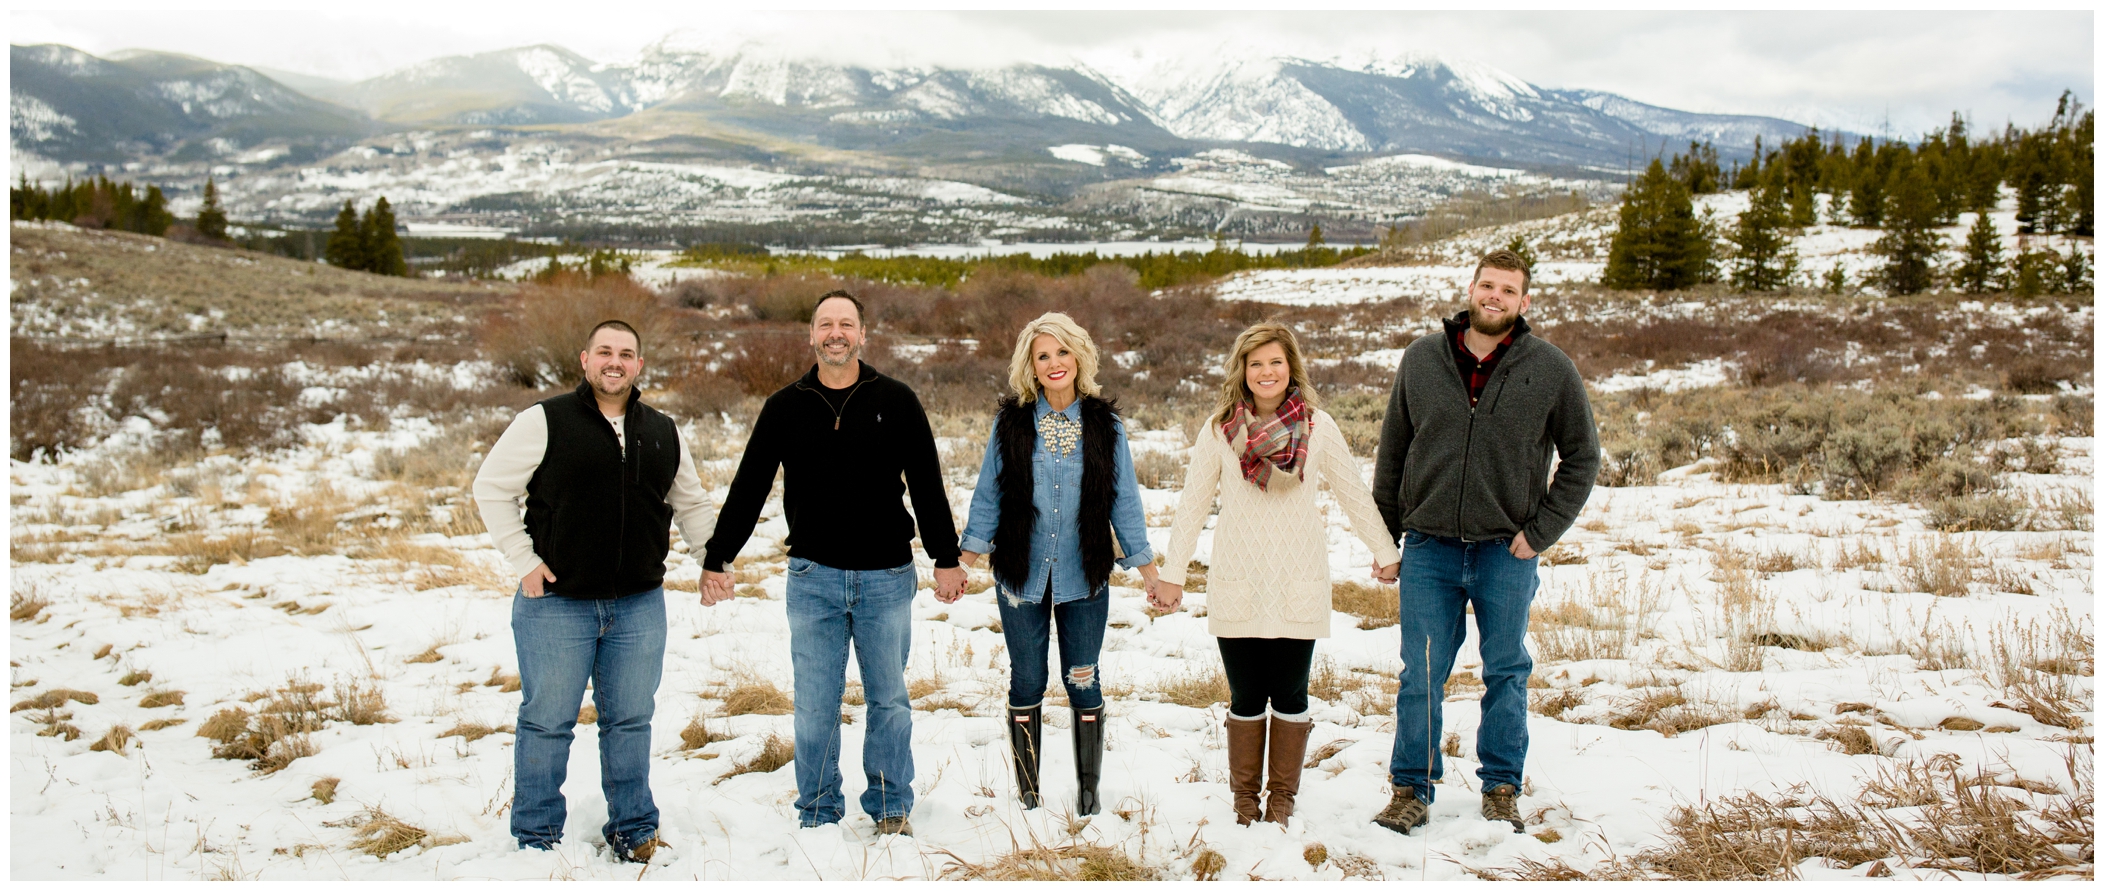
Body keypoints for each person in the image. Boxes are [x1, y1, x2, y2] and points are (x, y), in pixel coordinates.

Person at [700, 290, 967, 836]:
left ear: (863, 335)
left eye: (847, 324)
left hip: (887, 577)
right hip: (813, 577)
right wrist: (718, 556)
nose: (836, 333)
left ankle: (891, 809)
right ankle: (818, 812)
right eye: (826, 324)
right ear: (812, 335)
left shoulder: (896, 400)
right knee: (815, 706)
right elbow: (749, 486)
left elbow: (927, 485)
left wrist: (945, 556)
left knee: (889, 701)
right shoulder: (784, 406)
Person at [1368, 249, 1599, 836]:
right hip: (1429, 547)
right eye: (1487, 285)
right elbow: (1393, 453)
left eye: (1508, 290)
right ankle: (1411, 789)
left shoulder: (1550, 368)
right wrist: (1386, 539)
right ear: (1471, 289)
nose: (1494, 297)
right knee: (1419, 673)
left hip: (1505, 551)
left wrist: (1538, 533)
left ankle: (1500, 786)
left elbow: (1582, 458)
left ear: (1524, 302)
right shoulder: (1422, 359)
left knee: (1506, 671)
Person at [472, 319, 717, 861]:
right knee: (547, 722)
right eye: (604, 352)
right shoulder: (544, 421)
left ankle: (634, 830)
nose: (615, 362)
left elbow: (692, 502)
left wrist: (712, 561)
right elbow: (490, 488)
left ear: (639, 365)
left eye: (625, 354)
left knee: (630, 721)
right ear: (584, 360)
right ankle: (536, 839)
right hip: (556, 604)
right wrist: (525, 561)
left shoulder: (662, 430)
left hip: (638, 606)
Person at [1151, 322, 1400, 827]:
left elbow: (1352, 491)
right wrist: (1172, 574)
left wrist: (1385, 550)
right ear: (1242, 371)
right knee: (1245, 697)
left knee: (1290, 694)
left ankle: (1282, 798)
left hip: (1299, 580)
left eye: (1276, 363)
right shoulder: (1220, 429)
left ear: (1292, 369)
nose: (1266, 372)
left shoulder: (1319, 427)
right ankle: (1245, 801)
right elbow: (1192, 506)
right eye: (1256, 363)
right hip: (1236, 580)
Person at [956, 312, 1162, 817]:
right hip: (1021, 576)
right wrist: (964, 559)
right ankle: (1028, 790)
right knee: (1027, 679)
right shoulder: (1011, 423)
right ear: (1030, 364)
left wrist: (1149, 571)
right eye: (1043, 354)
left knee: (1082, 678)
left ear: (1080, 358)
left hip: (1084, 574)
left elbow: (1124, 500)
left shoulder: (1104, 424)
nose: (1054, 363)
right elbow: (989, 493)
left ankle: (1088, 792)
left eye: (1062, 352)